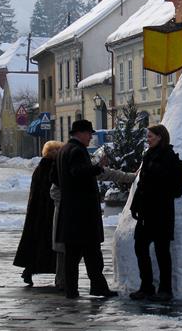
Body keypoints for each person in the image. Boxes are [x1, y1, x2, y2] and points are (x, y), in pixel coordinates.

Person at [55, 119, 117, 299]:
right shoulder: (76, 151)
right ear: (80, 133)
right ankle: (97, 287)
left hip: (71, 213)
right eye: (89, 133)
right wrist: (98, 167)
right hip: (82, 214)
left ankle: (73, 290)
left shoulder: (63, 150)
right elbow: (78, 172)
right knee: (92, 253)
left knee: (74, 256)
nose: (91, 137)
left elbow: (57, 177)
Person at [50, 160, 136, 291]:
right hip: (71, 218)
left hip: (79, 219)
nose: (90, 137)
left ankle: (85, 286)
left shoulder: (82, 165)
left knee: (83, 254)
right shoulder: (68, 167)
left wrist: (129, 177)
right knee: (70, 254)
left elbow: (105, 173)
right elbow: (55, 192)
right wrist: (70, 205)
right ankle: (65, 284)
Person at [129, 124, 180, 302]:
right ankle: (147, 286)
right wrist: (135, 206)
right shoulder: (149, 155)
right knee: (140, 247)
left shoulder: (168, 157)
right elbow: (142, 183)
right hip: (145, 211)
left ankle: (165, 289)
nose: (148, 139)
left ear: (160, 137)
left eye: (150, 136)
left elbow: (166, 184)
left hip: (161, 211)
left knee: (161, 251)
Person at [13, 141, 64, 286]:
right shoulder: (53, 167)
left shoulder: (39, 168)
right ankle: (59, 277)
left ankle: (29, 271)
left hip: (37, 213)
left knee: (36, 245)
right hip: (49, 212)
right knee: (52, 246)